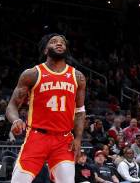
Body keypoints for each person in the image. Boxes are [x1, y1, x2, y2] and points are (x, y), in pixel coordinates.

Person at [6, 33, 87, 183]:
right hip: (37, 137)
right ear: (45, 50)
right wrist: (15, 120)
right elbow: (12, 105)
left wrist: (78, 138)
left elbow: (80, 111)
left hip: (64, 140)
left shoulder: (78, 76)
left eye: (62, 42)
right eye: (53, 42)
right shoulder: (32, 74)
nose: (58, 44)